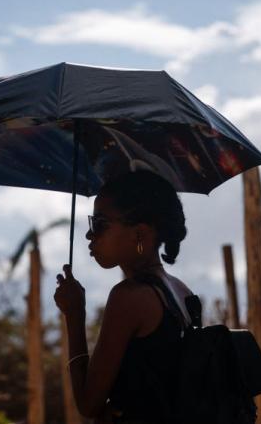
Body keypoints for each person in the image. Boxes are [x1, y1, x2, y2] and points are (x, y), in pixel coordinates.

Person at [54, 170, 196, 424]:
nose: (89, 235)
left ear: (140, 234)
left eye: (100, 224)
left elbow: (88, 403)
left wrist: (75, 316)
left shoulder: (128, 298)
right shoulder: (181, 291)